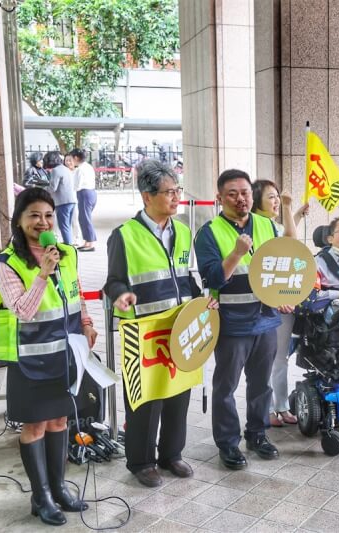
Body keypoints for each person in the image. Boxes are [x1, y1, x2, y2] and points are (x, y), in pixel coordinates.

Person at [0, 188, 95, 525]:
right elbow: (23, 311)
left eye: (48, 215)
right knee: (35, 425)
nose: (43, 222)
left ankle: (59, 487)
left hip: (65, 355)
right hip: (31, 360)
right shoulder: (7, 264)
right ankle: (41, 495)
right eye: (34, 215)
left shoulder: (66, 253)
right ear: (19, 221)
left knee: (60, 420)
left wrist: (88, 323)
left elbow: (76, 293)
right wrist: (43, 273)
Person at [104, 159, 202, 487]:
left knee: (178, 392)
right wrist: (120, 295)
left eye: (178, 191)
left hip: (180, 326)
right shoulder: (125, 236)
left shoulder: (184, 231)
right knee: (145, 398)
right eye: (168, 192)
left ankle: (171, 454)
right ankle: (141, 461)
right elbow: (114, 281)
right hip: (143, 332)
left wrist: (203, 302)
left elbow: (186, 276)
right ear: (147, 197)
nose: (176, 198)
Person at [194, 169, 286, 469]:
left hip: (266, 319)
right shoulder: (209, 232)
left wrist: (285, 296)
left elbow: (281, 267)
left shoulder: (268, 226)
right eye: (232, 194)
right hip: (232, 323)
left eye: (245, 192)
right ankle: (228, 443)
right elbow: (212, 278)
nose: (240, 199)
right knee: (226, 386)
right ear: (219, 198)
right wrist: (235, 253)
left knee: (261, 384)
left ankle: (257, 434)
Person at [250, 179, 309, 427]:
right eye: (271, 197)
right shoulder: (256, 226)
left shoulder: (269, 225)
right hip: (267, 304)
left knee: (280, 357)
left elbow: (284, 235)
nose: (275, 201)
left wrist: (294, 215)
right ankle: (271, 409)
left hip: (283, 302)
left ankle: (281, 406)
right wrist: (287, 207)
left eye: (277, 197)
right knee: (270, 359)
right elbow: (289, 243)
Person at [42, 151, 77, 245]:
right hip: (71, 200)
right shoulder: (65, 169)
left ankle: (68, 246)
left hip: (62, 202)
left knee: (63, 226)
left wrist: (42, 189)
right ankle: (69, 243)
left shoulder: (56, 170)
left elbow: (53, 187)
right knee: (67, 225)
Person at [70, 148, 98, 252]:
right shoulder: (87, 166)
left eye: (72, 158)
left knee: (85, 218)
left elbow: (77, 185)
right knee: (83, 218)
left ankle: (90, 243)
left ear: (76, 158)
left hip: (84, 193)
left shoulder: (80, 169)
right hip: (90, 193)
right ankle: (87, 241)